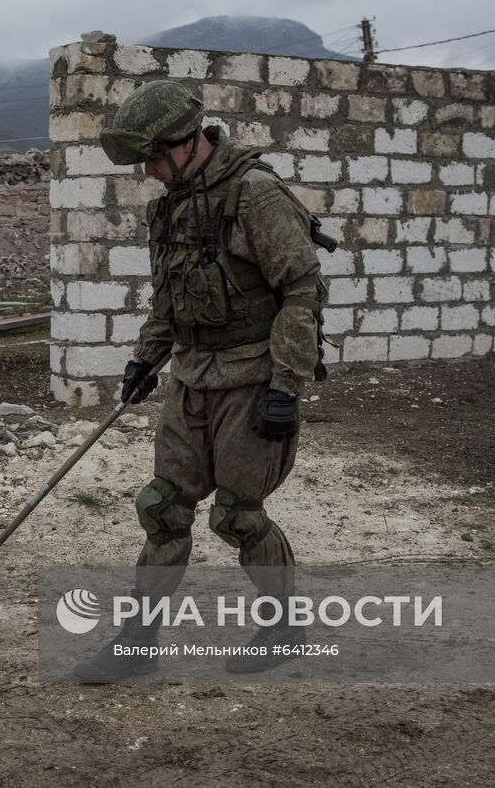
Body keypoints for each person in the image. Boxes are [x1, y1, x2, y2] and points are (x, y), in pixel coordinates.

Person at [73, 80, 331, 682]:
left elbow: (301, 290)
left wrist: (285, 387)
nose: (148, 171)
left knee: (239, 515)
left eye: (153, 158)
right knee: (163, 507)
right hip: (191, 376)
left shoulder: (254, 194)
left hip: (252, 377)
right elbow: (170, 296)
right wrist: (144, 360)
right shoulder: (170, 205)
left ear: (187, 143)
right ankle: (137, 643)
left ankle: (284, 628)